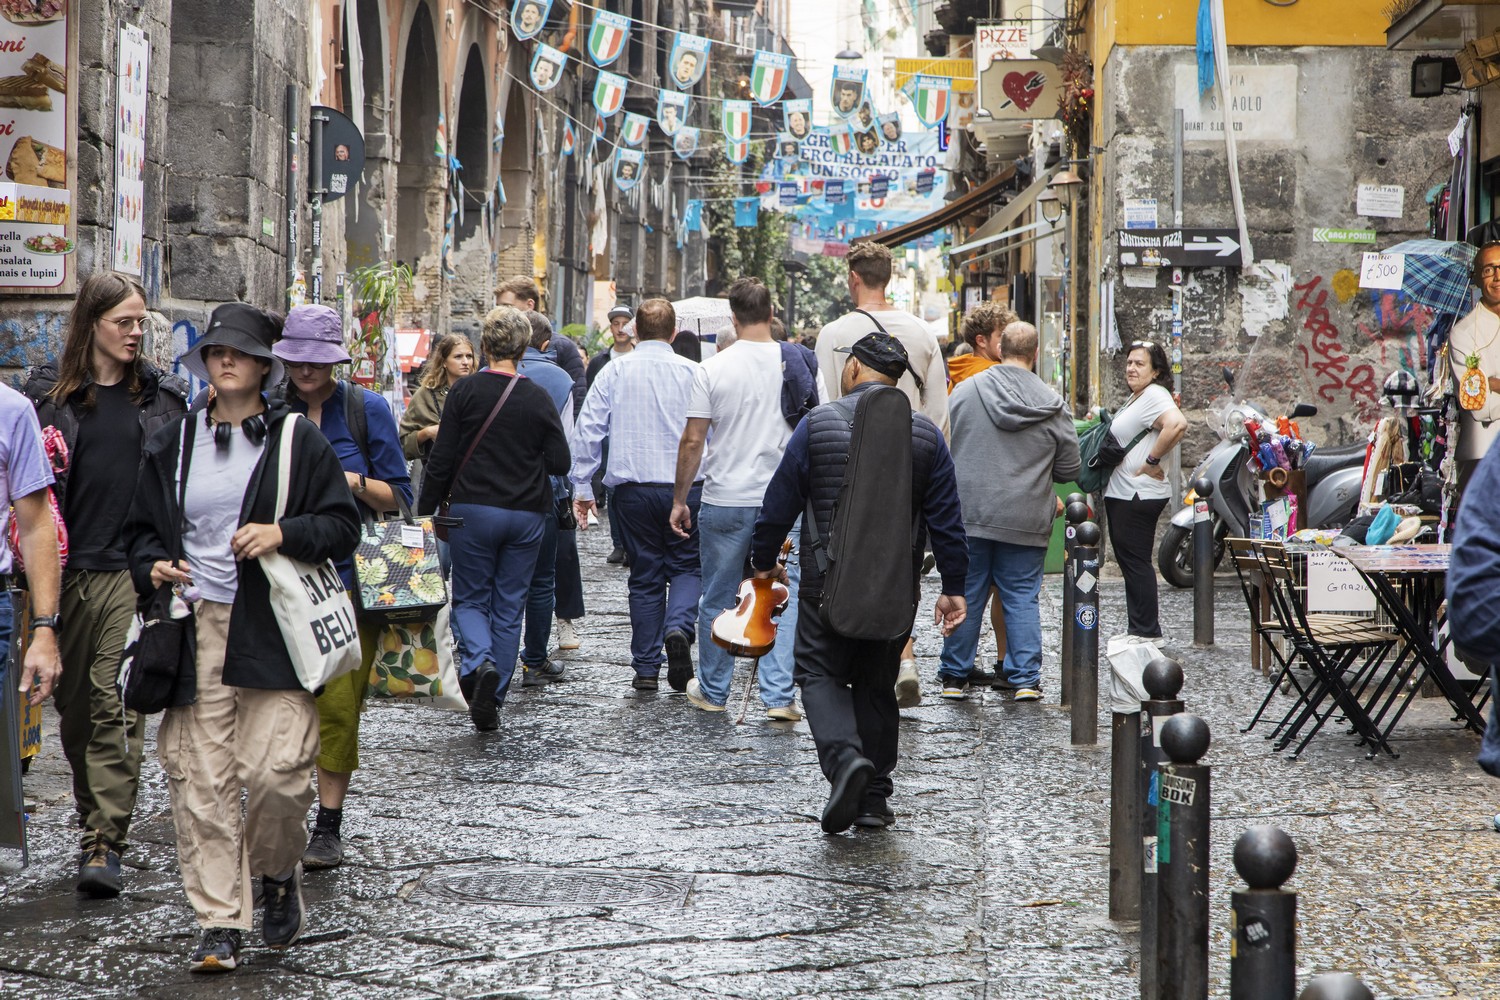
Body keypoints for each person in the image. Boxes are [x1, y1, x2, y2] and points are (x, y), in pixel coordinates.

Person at [124, 304, 360, 973]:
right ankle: (219, 921)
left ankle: (277, 872)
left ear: (264, 366)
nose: (225, 360)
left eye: (240, 352)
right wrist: (153, 566)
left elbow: (342, 527)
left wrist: (282, 533)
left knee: (278, 773)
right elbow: (140, 533)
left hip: (274, 630)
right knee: (201, 780)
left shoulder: (296, 440)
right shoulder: (174, 443)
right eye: (216, 352)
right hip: (196, 626)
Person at [750, 333, 967, 833]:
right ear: (897, 381)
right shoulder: (926, 436)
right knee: (876, 683)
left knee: (818, 672)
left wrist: (762, 563)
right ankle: (873, 799)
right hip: (895, 588)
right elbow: (947, 521)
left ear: (852, 369)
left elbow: (777, 505)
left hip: (824, 584)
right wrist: (953, 586)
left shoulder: (816, 424)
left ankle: (846, 759)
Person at [21, 273, 188, 897]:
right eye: (124, 322)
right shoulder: (49, 400)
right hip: (65, 572)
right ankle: (93, 818)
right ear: (91, 324)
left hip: (131, 568)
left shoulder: (163, 400)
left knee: (113, 700)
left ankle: (104, 841)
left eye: (141, 322)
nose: (135, 333)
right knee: (74, 711)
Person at [272, 305, 411, 872]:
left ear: (335, 361)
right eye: (296, 360)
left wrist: (348, 479)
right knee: (278, 703)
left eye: (317, 360)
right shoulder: (268, 408)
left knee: (337, 704)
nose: (306, 370)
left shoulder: (365, 409)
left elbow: (400, 496)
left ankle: (327, 825)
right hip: (278, 579)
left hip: (349, 583)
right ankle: (280, 809)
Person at [671, 278, 825, 718]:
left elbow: (693, 440)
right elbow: (818, 426)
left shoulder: (712, 368)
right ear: (772, 313)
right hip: (785, 499)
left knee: (718, 594)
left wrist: (680, 499)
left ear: (733, 317)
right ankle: (779, 697)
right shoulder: (799, 363)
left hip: (726, 497)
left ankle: (714, 690)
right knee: (782, 594)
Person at [418, 307, 570, 730]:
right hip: (526, 515)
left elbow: (442, 458)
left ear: (484, 346)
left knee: (470, 599)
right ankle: (495, 694)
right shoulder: (537, 396)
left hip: (473, 512)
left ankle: (479, 662)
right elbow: (560, 461)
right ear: (522, 350)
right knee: (509, 605)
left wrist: (424, 510)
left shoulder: (465, 392)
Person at [815, 241, 950, 705]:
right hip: (907, 464)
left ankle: (847, 659)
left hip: (846, 465)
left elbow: (824, 406)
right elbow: (938, 414)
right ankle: (900, 653)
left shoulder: (834, 333)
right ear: (888, 277)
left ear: (853, 278)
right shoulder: (922, 333)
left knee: (843, 559)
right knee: (901, 561)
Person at [939, 322, 1079, 702]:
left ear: (1000, 349)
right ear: (1036, 353)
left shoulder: (965, 391)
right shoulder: (1053, 403)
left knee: (967, 591)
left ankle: (954, 676)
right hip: (1026, 514)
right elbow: (1070, 468)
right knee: (1020, 596)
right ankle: (1025, 679)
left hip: (970, 512)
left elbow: (945, 447)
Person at [571, 299, 702, 691]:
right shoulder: (695, 372)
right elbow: (709, 435)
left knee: (645, 575)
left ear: (636, 331)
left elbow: (588, 428)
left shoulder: (615, 370)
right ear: (674, 333)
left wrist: (583, 486)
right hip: (687, 488)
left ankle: (646, 668)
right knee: (687, 567)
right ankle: (678, 626)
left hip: (633, 490)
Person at [1104, 341, 1187, 640]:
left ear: (1156, 372)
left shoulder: (1154, 394)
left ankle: (1146, 632)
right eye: (1129, 362)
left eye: (1140, 364)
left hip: (1136, 493)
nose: (1131, 368)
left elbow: (1177, 424)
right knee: (1131, 563)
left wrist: (1151, 461)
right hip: (1126, 492)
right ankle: (1139, 628)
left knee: (1136, 563)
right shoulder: (1139, 396)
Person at [517, 311, 583, 679]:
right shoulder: (561, 380)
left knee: (497, 582)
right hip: (544, 491)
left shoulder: (482, 378)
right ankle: (534, 660)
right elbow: (566, 448)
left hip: (489, 493)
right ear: (545, 344)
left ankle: (488, 660)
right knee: (542, 580)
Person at [586, 303, 636, 564]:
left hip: (634, 429)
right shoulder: (599, 362)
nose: (620, 329)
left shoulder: (639, 358)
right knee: (612, 488)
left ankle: (632, 543)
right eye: (616, 324)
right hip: (607, 432)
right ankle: (619, 544)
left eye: (625, 324)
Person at [496, 276, 586, 414]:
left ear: (529, 305)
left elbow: (577, 399)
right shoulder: (495, 345)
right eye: (498, 307)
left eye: (507, 306)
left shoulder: (562, 347)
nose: (500, 313)